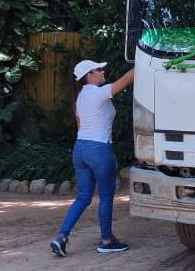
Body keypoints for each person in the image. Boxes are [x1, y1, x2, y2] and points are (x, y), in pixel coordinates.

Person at [50, 59, 135, 257]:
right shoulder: (97, 93)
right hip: (99, 149)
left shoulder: (80, 98)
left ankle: (61, 237)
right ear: (90, 75)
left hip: (80, 149)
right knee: (105, 196)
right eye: (99, 69)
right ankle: (106, 241)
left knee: (83, 197)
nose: (103, 71)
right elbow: (128, 78)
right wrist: (146, 59)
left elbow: (80, 127)